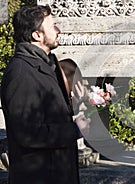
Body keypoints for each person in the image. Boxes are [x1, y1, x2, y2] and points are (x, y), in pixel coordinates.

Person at [0, 5, 91, 184]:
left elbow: (50, 114)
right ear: (37, 35)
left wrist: (77, 102)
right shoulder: (21, 73)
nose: (58, 31)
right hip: (40, 177)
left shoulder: (46, 66)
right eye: (53, 26)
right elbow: (28, 134)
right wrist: (74, 129)